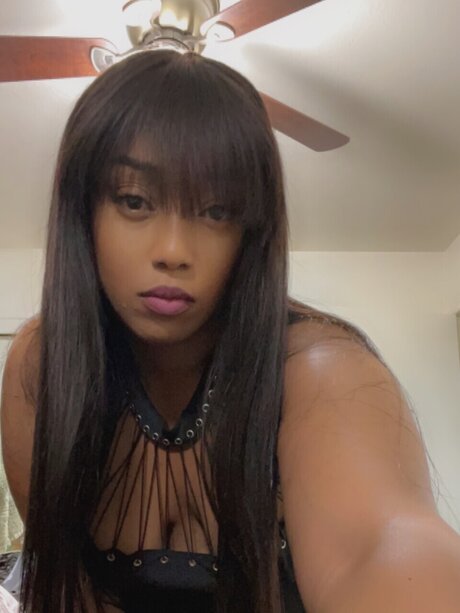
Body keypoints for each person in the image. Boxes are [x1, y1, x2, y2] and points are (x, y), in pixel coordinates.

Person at [1, 49, 460, 613]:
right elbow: (69, 585)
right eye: (134, 200)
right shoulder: (42, 366)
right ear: (84, 211)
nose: (173, 251)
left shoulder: (318, 371)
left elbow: (379, 545)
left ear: (250, 230)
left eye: (216, 212)